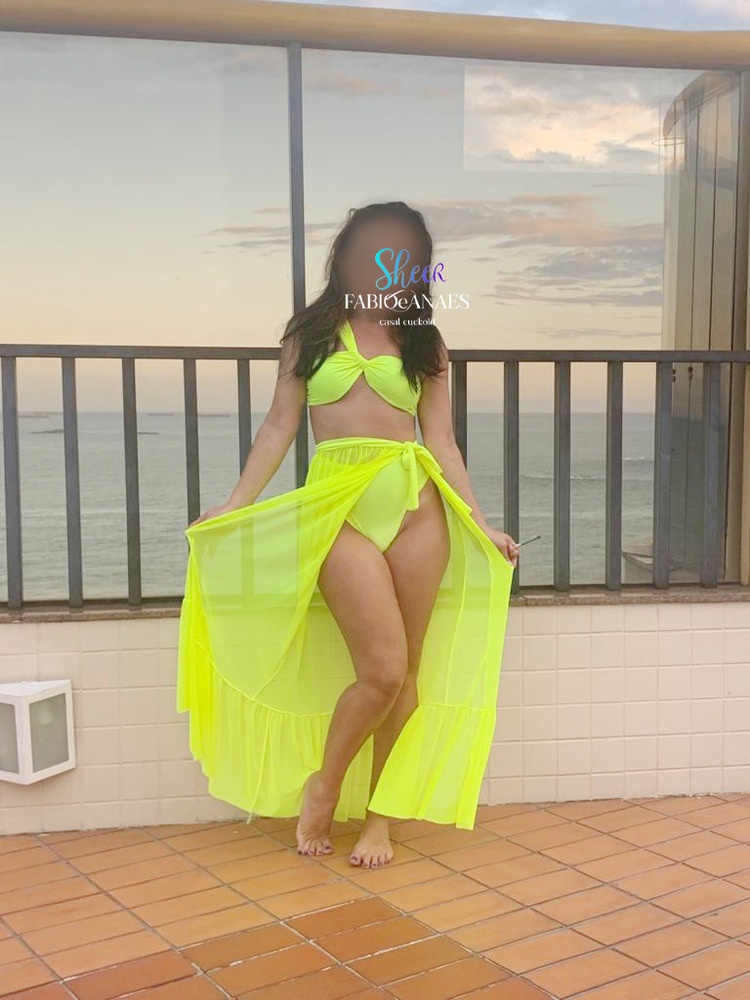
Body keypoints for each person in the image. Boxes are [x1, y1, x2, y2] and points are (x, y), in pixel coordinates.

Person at [178, 200, 518, 870]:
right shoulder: (309, 334)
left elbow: (442, 441)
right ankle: (325, 785)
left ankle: (380, 817)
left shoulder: (424, 342)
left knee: (408, 673)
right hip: (337, 511)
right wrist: (235, 504)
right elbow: (279, 426)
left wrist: (479, 522)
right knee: (381, 669)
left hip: (416, 507)